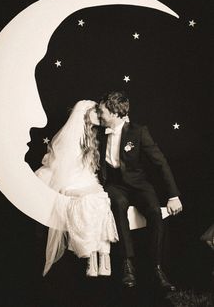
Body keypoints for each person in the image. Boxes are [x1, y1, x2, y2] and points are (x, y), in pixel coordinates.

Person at [97, 91, 183, 290]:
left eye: (102, 111)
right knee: (117, 204)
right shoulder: (99, 132)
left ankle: (157, 268)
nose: (100, 115)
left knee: (154, 212)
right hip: (114, 184)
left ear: (115, 112)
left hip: (139, 184)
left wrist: (173, 195)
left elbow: (160, 163)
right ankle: (127, 265)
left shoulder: (138, 131)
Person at [35, 100, 118, 277]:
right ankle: (90, 255)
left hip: (86, 179)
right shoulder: (73, 136)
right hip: (69, 180)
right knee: (88, 200)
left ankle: (104, 256)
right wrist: (71, 189)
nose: (99, 115)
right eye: (95, 112)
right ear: (85, 114)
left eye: (99, 112)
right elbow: (65, 169)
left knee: (102, 198)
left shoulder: (95, 133)